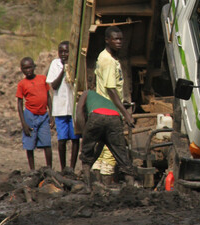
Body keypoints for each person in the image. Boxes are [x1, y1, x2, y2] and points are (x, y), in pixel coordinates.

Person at [81, 26, 135, 186]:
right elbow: (111, 89)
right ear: (107, 40)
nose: (119, 42)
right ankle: (106, 187)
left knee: (99, 152)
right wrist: (126, 114)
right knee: (114, 154)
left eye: (121, 39)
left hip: (99, 112)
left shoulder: (103, 57)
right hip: (110, 112)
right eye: (115, 39)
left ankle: (95, 186)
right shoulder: (109, 61)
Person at [77, 89, 137, 192]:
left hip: (96, 117)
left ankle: (87, 187)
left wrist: (84, 136)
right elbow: (100, 145)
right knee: (122, 156)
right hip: (115, 119)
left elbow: (79, 114)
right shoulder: (106, 102)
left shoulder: (86, 93)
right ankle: (131, 188)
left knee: (86, 154)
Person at [46, 41, 80, 174]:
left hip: (73, 109)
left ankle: (72, 167)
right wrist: (63, 70)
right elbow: (54, 86)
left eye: (66, 52)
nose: (64, 54)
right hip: (59, 109)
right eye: (61, 52)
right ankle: (63, 167)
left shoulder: (76, 65)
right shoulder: (55, 64)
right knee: (62, 140)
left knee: (75, 138)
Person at [16, 57, 54, 170]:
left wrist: (52, 115)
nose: (28, 70)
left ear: (34, 67)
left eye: (30, 67)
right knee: (29, 144)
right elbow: (19, 104)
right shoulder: (22, 84)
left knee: (47, 143)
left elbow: (48, 97)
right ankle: (32, 169)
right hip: (30, 116)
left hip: (43, 115)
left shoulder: (42, 79)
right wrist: (24, 123)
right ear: (21, 69)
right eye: (25, 68)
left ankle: (49, 168)